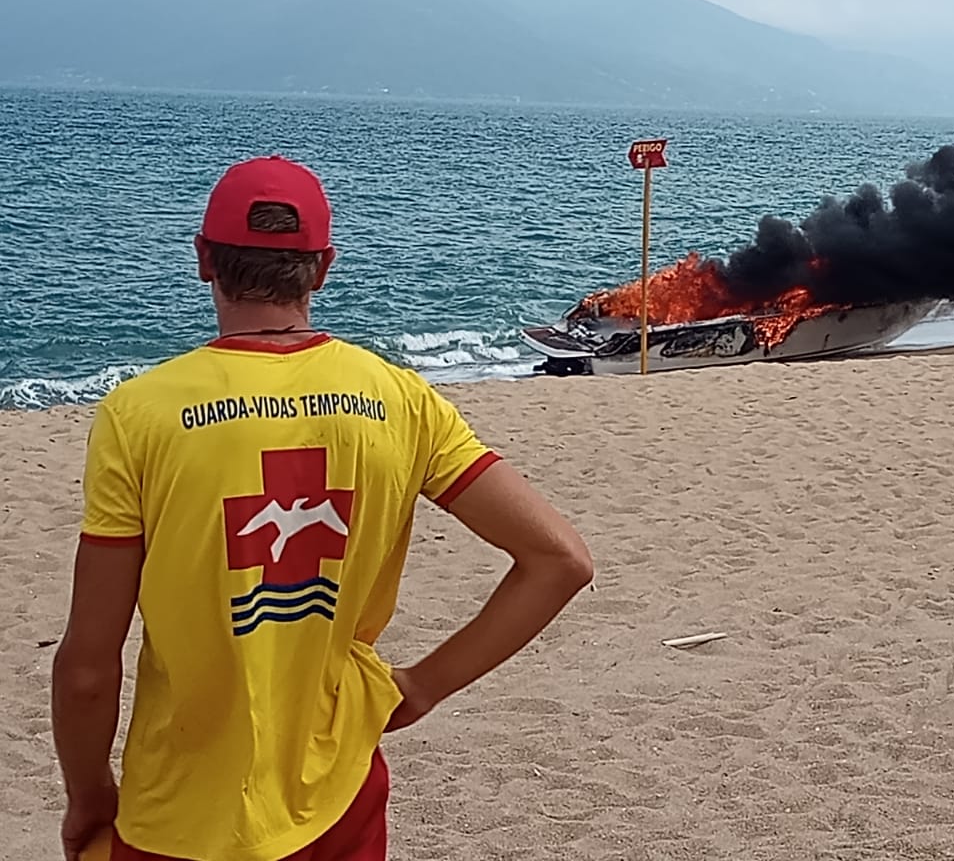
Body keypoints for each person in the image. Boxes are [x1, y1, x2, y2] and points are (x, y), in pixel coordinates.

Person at [50, 155, 594, 861]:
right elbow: (559, 560)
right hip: (340, 797)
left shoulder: (139, 415)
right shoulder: (402, 399)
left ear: (204, 259)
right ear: (324, 268)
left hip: (179, 813)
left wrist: (89, 795)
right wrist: (422, 688)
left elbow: (89, 669)